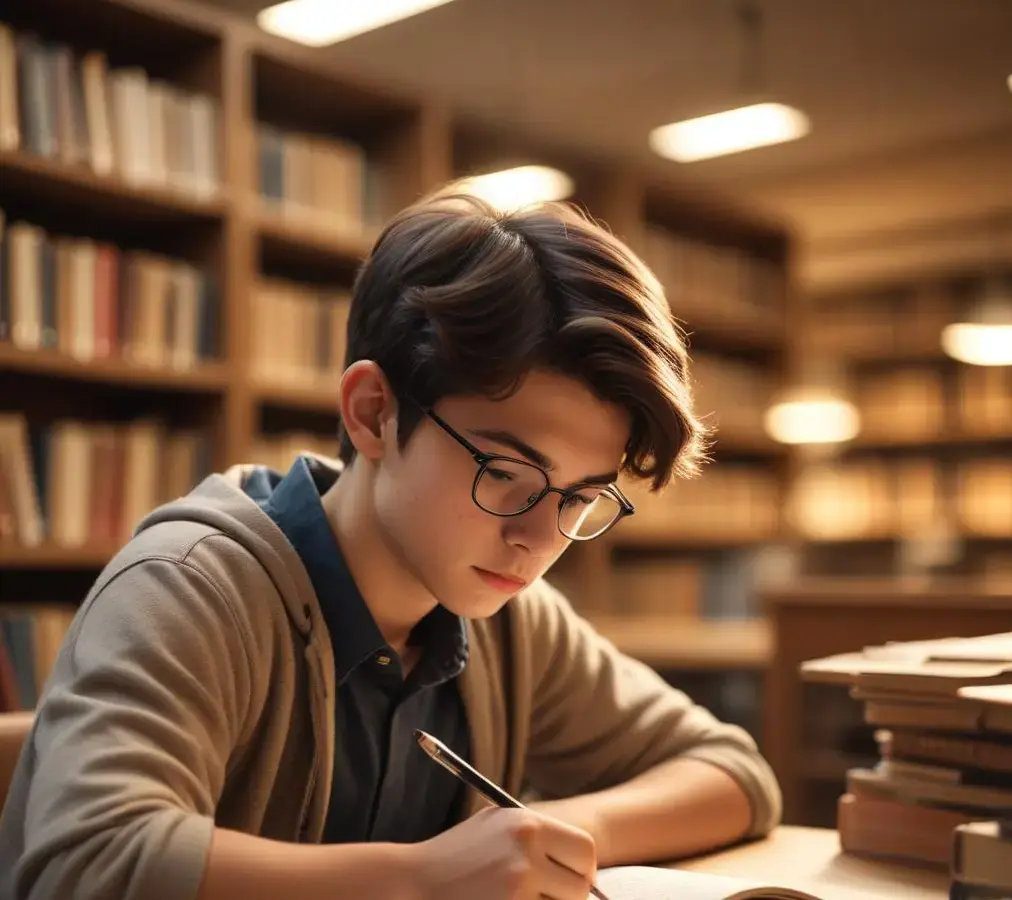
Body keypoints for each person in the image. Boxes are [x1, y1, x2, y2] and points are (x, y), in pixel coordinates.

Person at [0, 188, 781, 900]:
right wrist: (422, 878)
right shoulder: (192, 585)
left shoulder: (511, 618)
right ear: (372, 413)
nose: (540, 539)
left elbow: (733, 773)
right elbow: (83, 863)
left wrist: (541, 844)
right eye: (507, 473)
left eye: (582, 497)